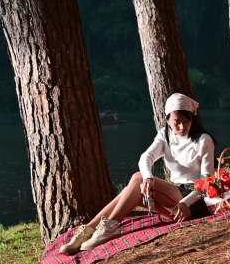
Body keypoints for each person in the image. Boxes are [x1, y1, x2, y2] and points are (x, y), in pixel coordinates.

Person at [59, 93, 215, 255]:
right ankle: (90, 230)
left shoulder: (203, 140)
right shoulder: (165, 135)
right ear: (168, 119)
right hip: (174, 195)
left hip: (194, 201)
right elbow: (145, 158)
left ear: (192, 120)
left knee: (137, 177)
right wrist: (148, 177)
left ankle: (107, 227)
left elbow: (207, 181)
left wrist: (186, 202)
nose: (182, 127)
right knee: (138, 183)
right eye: (177, 122)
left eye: (186, 121)